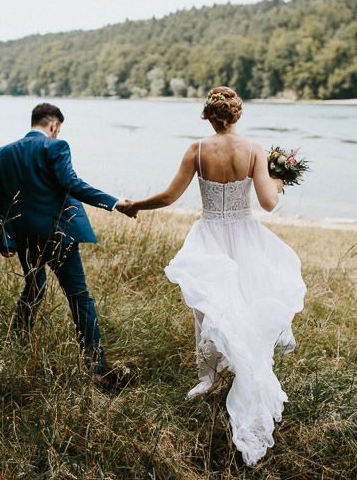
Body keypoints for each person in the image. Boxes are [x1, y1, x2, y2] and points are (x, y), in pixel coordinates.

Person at [123, 87, 306, 466]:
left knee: (210, 310)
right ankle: (239, 371)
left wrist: (135, 204)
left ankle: (212, 377)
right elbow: (269, 203)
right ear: (237, 115)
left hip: (210, 235)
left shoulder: (197, 150)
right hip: (243, 236)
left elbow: (169, 197)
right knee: (245, 305)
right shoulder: (255, 150)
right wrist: (279, 179)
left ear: (209, 117)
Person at [0, 103, 135, 390]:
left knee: (34, 287)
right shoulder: (56, 146)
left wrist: (3, 238)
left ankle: (18, 344)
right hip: (59, 235)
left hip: (25, 237)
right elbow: (71, 184)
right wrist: (115, 203)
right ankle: (95, 369)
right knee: (79, 297)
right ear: (53, 125)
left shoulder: (4, 152)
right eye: (58, 129)